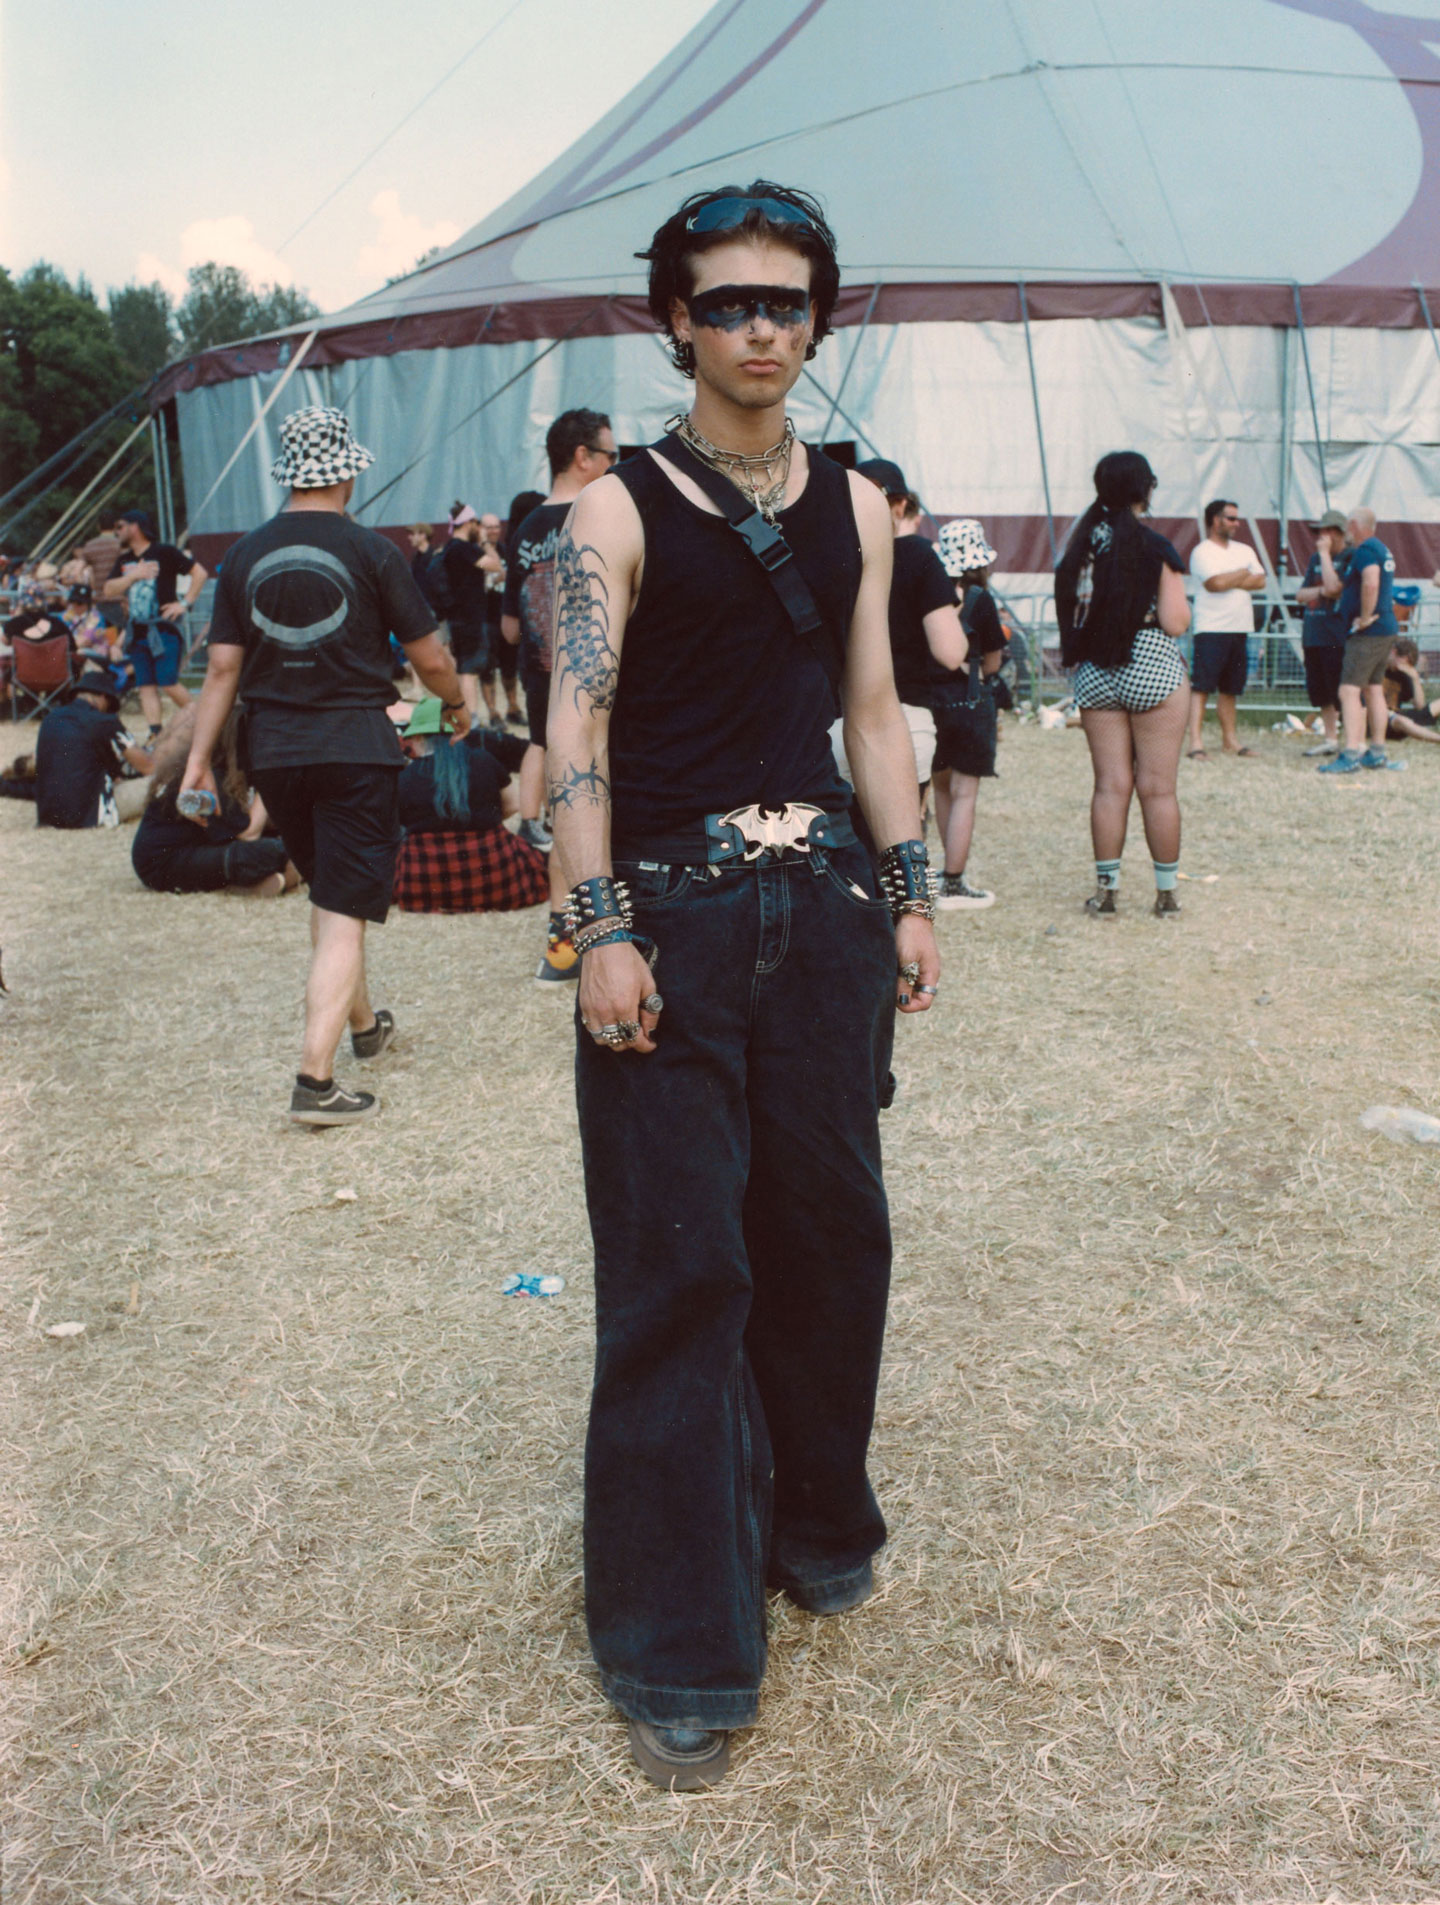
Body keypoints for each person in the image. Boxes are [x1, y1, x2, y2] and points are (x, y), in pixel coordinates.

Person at [545, 180, 939, 1792]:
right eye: (730, 304)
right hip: (677, 919)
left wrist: (910, 896)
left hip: (826, 910)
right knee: (681, 1267)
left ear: (818, 318)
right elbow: (572, 731)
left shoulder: (854, 505)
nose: (761, 329)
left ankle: (819, 1518)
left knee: (832, 1238)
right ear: (677, 320)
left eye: (787, 302)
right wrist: (601, 924)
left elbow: (872, 709)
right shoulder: (613, 512)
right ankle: (676, 1638)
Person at [177, 405, 470, 1126]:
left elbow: (219, 670)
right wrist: (458, 704)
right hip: (355, 749)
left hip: (273, 751)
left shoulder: (243, 554)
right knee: (342, 907)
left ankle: (365, 1027)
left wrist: (196, 765)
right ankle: (316, 1080)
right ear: (347, 470)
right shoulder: (373, 551)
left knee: (331, 896)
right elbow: (429, 656)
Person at [500, 408, 618, 981]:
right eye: (611, 456)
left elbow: (509, 629)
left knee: (567, 804)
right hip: (607, 692)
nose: (616, 466)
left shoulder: (522, 532)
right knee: (610, 806)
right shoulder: (604, 513)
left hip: (544, 684)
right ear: (583, 457)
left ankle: (561, 940)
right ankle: (611, 935)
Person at [1055, 451, 1192, 917]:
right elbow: (1176, 621)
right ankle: (1166, 896)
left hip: (1096, 673)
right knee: (1158, 788)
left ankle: (1106, 892)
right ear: (1145, 489)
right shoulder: (1155, 546)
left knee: (1110, 786)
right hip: (1151, 664)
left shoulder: (1079, 546)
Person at [850, 457, 967, 796]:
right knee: (902, 840)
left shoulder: (831, 557)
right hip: (902, 718)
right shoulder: (917, 554)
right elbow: (950, 651)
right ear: (900, 505)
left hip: (836, 725)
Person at [391, 698, 548, 912]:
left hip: (425, 880)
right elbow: (512, 804)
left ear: (418, 736)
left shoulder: (404, 777)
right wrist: (479, 819)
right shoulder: (483, 760)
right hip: (494, 875)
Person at [133, 707, 297, 896]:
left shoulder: (225, 774)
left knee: (291, 842)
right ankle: (286, 877)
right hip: (165, 863)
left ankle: (270, 880)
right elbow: (249, 833)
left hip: (198, 849)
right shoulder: (212, 779)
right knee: (270, 851)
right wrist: (269, 782)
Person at [932, 517, 1007, 910]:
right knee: (965, 794)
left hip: (931, 700)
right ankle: (954, 881)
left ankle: (945, 875)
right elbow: (992, 661)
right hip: (971, 701)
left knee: (941, 789)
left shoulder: (932, 594)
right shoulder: (980, 599)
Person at [101, 509, 207, 737]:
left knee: (168, 681)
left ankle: (204, 722)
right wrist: (133, 576)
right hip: (137, 630)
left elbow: (200, 573)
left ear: (135, 527)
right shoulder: (124, 560)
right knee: (145, 686)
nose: (116, 532)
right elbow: (108, 589)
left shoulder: (164, 552)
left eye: (120, 526)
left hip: (162, 628)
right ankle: (155, 732)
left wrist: (185, 603)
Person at [1317, 507, 1405, 774]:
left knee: (1349, 690)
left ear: (1354, 525)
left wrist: (1365, 617)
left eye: (1347, 526)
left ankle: (1351, 754)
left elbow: (1370, 583)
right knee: (1373, 688)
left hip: (1369, 632)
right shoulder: (1382, 549)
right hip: (1386, 627)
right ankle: (1376, 752)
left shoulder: (1365, 551)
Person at [1186, 498, 1264, 760]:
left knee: (1231, 689)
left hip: (1239, 627)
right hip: (1211, 628)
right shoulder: (1202, 552)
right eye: (1231, 518)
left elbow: (1260, 580)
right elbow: (1214, 584)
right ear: (1215, 520)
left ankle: (1230, 740)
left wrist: (1233, 577)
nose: (1236, 523)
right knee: (1202, 687)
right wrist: (1242, 573)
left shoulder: (1244, 549)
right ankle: (1195, 742)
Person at [34, 666, 153, 829]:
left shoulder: (50, 719)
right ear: (103, 697)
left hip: (49, 815)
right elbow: (148, 767)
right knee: (161, 785)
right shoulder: (104, 720)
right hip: (89, 814)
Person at [1294, 509, 1350, 756]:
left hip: (1337, 633)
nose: (1320, 536)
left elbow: (1334, 587)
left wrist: (1326, 556)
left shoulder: (1350, 556)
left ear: (1338, 532)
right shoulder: (1315, 560)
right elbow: (1300, 595)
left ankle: (1352, 740)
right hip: (1314, 632)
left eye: (1325, 531)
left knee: (1342, 691)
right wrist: (1321, 592)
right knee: (1321, 692)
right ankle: (1330, 738)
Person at [442, 505, 500, 718]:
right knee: (469, 671)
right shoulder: (465, 548)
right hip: (472, 620)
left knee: (462, 668)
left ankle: (463, 714)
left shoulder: (449, 548)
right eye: (476, 522)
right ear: (467, 523)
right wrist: (484, 541)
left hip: (456, 619)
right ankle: (472, 718)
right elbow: (496, 566)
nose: (479, 527)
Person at [475, 511, 524, 728]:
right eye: (489, 527)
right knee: (487, 668)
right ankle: (493, 712)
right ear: (480, 529)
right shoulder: (474, 552)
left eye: (496, 526)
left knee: (509, 665)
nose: (494, 530)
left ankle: (513, 708)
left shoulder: (506, 549)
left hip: (505, 616)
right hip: (485, 618)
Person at [1383, 636, 1440, 744]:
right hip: (1381, 719)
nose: (1403, 666)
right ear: (1394, 652)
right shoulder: (1376, 669)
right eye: (1404, 662)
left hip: (1398, 715)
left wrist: (1415, 678)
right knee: (1401, 720)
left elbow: (1420, 706)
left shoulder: (1402, 674)